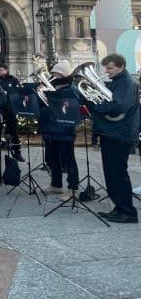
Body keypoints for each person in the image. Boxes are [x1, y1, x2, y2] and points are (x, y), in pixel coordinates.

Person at [89, 54, 140, 224]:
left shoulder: (127, 83)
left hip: (120, 134)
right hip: (112, 132)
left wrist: (96, 106)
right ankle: (119, 208)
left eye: (109, 68)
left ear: (121, 67)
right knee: (111, 174)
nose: (106, 71)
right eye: (106, 68)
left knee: (118, 174)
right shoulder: (117, 82)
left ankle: (128, 212)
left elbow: (119, 105)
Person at [38, 60, 79, 196]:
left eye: (58, 73)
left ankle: (73, 188)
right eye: (54, 72)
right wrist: (40, 94)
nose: (55, 75)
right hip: (50, 128)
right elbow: (42, 106)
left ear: (65, 75)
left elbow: (74, 107)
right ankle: (56, 185)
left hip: (64, 129)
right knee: (52, 158)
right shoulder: (49, 87)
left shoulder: (72, 89)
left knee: (68, 160)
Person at [0, 63, 24, 162]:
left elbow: (19, 92)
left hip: (10, 108)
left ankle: (17, 152)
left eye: (1, 70)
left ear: (6, 70)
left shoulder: (13, 80)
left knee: (13, 130)